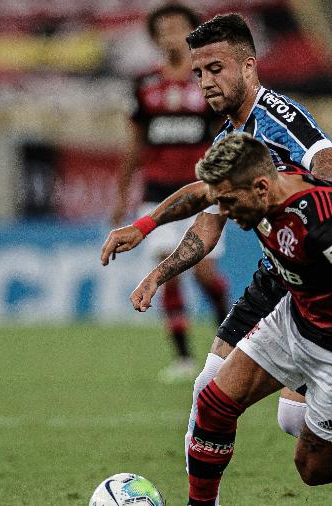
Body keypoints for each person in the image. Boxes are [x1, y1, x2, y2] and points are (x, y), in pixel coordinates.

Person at [100, 12, 332, 501]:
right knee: (222, 397)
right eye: (199, 71)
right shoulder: (231, 136)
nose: (204, 81)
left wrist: (306, 229)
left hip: (309, 287)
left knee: (294, 435)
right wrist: (155, 253)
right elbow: (207, 212)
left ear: (248, 67)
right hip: (275, 278)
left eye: (215, 69)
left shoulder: (278, 117)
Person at [133, 132, 332, 505]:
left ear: (260, 187)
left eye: (228, 202)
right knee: (213, 402)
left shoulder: (322, 224)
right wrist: (143, 228)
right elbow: (200, 194)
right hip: (294, 318)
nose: (223, 212)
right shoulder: (252, 188)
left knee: (315, 468)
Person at [112, 3, 230, 383]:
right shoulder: (145, 85)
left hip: (202, 192)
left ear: (192, 32)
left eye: (177, 28)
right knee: (167, 268)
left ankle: (229, 339)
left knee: (205, 274)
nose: (169, 35)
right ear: (154, 37)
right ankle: (182, 358)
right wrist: (121, 195)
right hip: (157, 195)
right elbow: (134, 145)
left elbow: (224, 136)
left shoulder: (207, 81)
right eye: (162, 30)